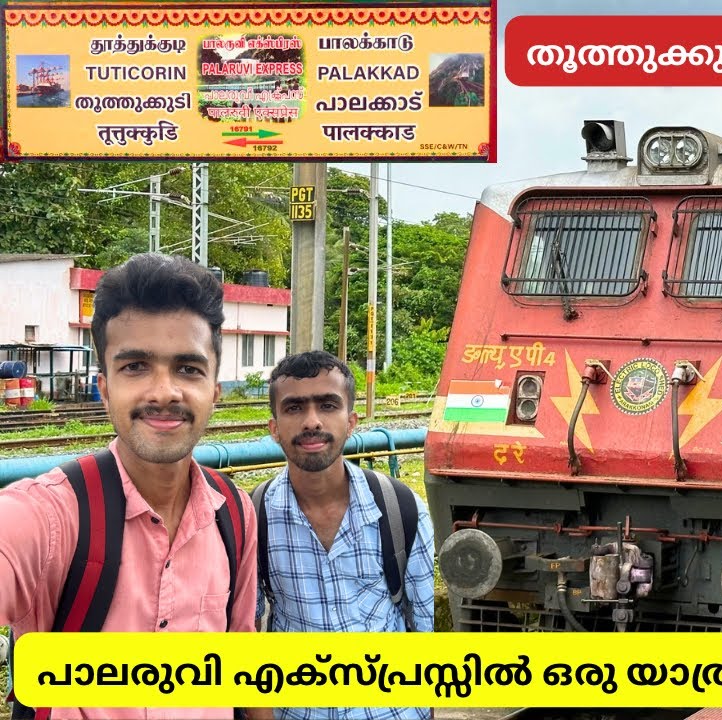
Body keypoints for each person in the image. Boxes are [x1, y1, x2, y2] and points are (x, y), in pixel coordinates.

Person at [0, 253, 258, 720]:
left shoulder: (235, 513)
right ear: (104, 386)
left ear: (215, 390)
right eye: (136, 366)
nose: (164, 392)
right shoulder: (48, 516)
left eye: (188, 368)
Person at [251, 351, 434, 720]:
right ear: (274, 428)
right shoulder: (254, 516)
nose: (312, 421)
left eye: (328, 405)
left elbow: (424, 627)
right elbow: (246, 633)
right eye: (294, 408)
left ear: (350, 422)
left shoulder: (400, 508)